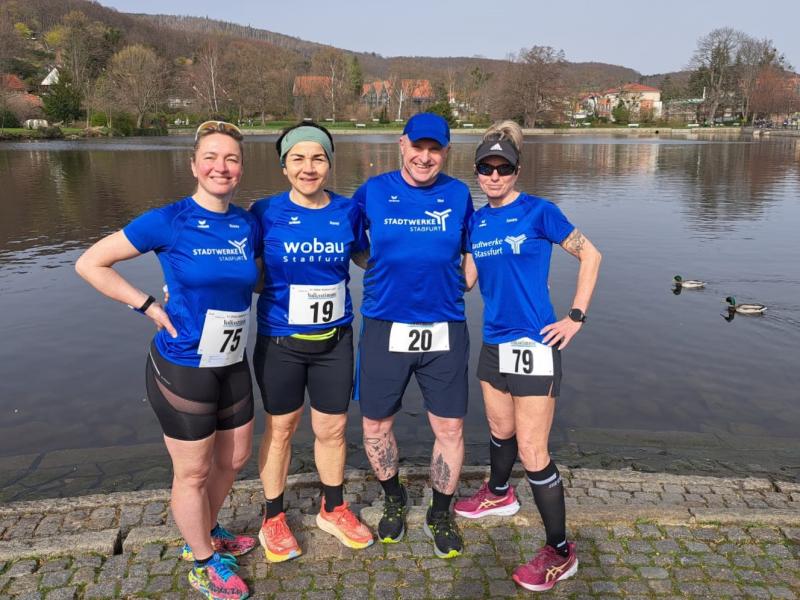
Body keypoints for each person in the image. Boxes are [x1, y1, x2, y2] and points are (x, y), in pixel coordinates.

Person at [75, 121, 259, 600]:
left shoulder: (246, 223)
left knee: (236, 458)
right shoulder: (169, 220)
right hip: (182, 365)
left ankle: (208, 529)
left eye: (232, 159)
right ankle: (201, 562)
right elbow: (90, 262)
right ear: (194, 165)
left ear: (241, 168)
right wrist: (147, 305)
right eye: (211, 157)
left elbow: (252, 277)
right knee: (193, 472)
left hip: (231, 359)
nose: (221, 167)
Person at [456, 120, 601, 592]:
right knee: (500, 430)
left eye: (503, 168)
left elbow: (592, 255)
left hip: (536, 346)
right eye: (486, 168)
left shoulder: (541, 212)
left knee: (534, 450)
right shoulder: (476, 222)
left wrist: (575, 317)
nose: (494, 176)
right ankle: (499, 493)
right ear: (477, 171)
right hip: (494, 343)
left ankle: (560, 552)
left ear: (516, 170)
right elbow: (466, 280)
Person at [250, 122, 373, 563]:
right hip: (280, 341)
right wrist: (188, 290)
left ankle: (332, 509)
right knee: (281, 428)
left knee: (333, 429)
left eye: (318, 158)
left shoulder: (348, 210)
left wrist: (422, 264)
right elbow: (243, 270)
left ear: (329, 163)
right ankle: (273, 517)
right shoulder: (263, 212)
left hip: (334, 341)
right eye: (298, 158)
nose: (308, 167)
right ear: (284, 166)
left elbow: (368, 258)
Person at [353, 112, 473, 558]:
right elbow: (352, 244)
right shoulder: (372, 191)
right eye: (417, 147)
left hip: (444, 326)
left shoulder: (459, 194)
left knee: (450, 426)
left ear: (446, 152)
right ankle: (394, 497)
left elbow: (472, 247)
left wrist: (465, 280)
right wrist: (385, 268)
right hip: (385, 324)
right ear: (401, 145)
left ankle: (440, 512)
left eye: (434, 149)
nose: (425, 157)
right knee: (375, 424)